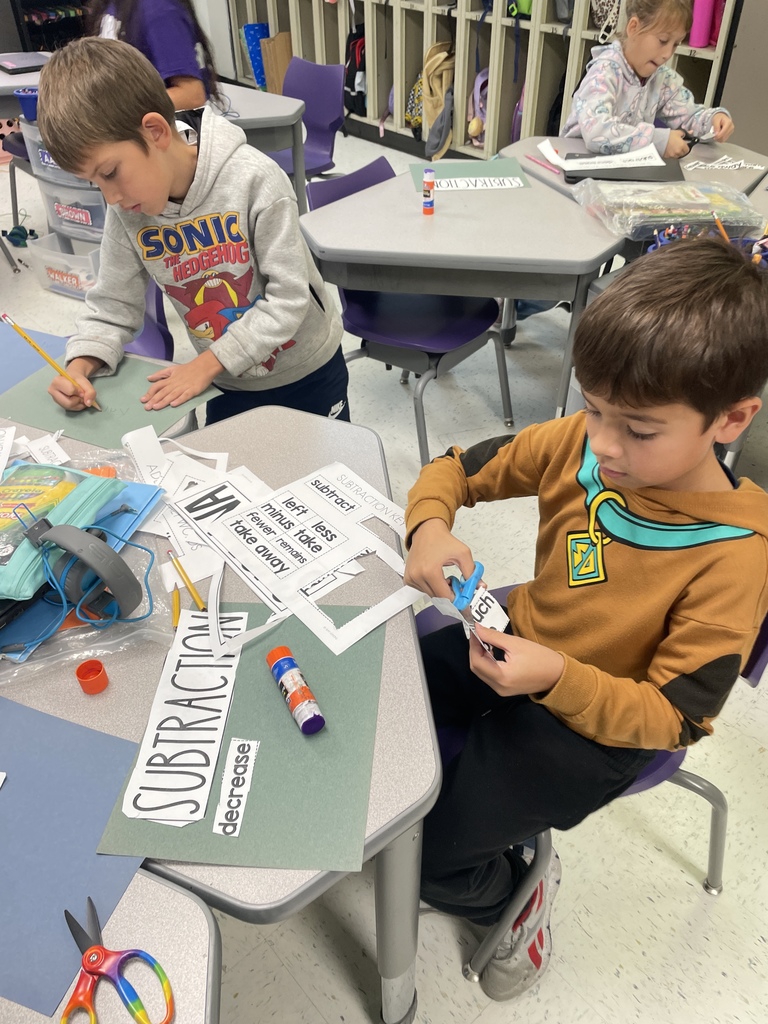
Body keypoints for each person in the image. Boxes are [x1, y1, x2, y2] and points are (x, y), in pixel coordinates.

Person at [403, 236, 768, 1002]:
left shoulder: (737, 555)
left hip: (599, 729)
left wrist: (559, 678)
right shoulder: (581, 443)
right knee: (387, 700)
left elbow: (674, 719)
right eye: (594, 408)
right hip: (518, 638)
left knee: (429, 857)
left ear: (730, 419)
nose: (603, 444)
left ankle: (515, 898)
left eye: (638, 429)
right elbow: (455, 469)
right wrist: (429, 527)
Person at [37, 38, 348, 427]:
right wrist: (81, 364)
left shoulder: (255, 180)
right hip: (228, 382)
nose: (111, 197)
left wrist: (207, 363)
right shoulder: (127, 211)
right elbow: (113, 306)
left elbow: (288, 299)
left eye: (111, 172)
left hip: (307, 371)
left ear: (154, 131)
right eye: (93, 183)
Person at [561, 0, 734, 157]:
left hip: (620, 172)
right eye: (663, 40)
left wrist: (713, 120)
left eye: (675, 44)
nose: (667, 54)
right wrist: (656, 141)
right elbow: (596, 132)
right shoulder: (604, 72)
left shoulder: (661, 79)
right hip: (578, 167)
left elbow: (688, 115)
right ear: (633, 27)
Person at [87, 0, 221, 110]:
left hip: (162, 132)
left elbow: (192, 95)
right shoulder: (113, 4)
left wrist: (115, 112)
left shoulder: (158, 7)